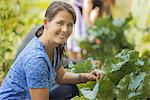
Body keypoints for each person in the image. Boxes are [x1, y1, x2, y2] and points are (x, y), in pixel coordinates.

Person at [0, 1, 102, 100]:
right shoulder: (36, 60)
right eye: (60, 23)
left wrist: (85, 77)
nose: (65, 29)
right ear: (46, 23)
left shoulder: (54, 46)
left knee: (70, 89)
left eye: (70, 25)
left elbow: (61, 76)